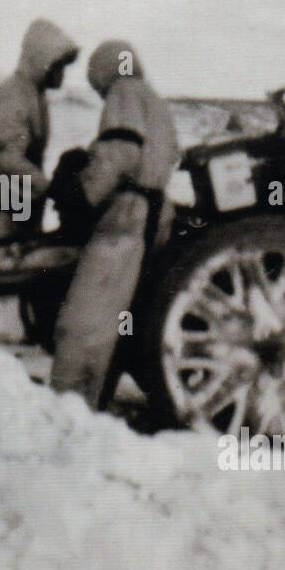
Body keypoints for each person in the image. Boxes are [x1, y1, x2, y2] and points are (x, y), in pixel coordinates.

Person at [49, 40, 179, 408]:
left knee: (87, 317)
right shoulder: (154, 99)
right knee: (122, 316)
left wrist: (83, 193)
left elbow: (121, 151)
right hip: (153, 214)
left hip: (126, 217)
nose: (99, 90)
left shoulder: (124, 91)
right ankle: (99, 393)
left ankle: (69, 403)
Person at [0, 19, 78, 245]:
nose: (62, 74)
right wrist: (47, 187)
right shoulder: (16, 96)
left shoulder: (34, 94)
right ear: (43, 62)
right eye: (58, 66)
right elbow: (7, 157)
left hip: (19, 192)